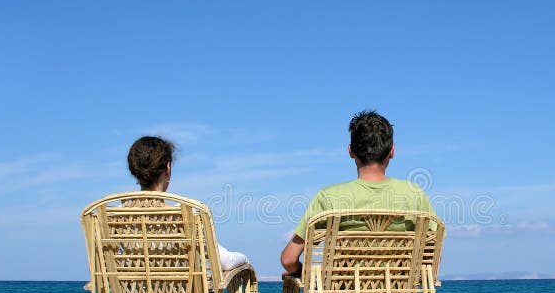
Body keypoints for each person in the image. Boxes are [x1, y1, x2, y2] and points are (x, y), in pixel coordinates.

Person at [280, 110, 435, 278]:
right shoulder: (414, 194)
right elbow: (431, 254)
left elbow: (289, 259)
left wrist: (304, 276)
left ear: (351, 151)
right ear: (392, 151)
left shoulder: (328, 197)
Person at [127, 136, 249, 270]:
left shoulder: (112, 218)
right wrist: (245, 259)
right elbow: (226, 261)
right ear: (168, 168)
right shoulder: (185, 214)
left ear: (134, 170)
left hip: (126, 291)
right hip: (178, 291)